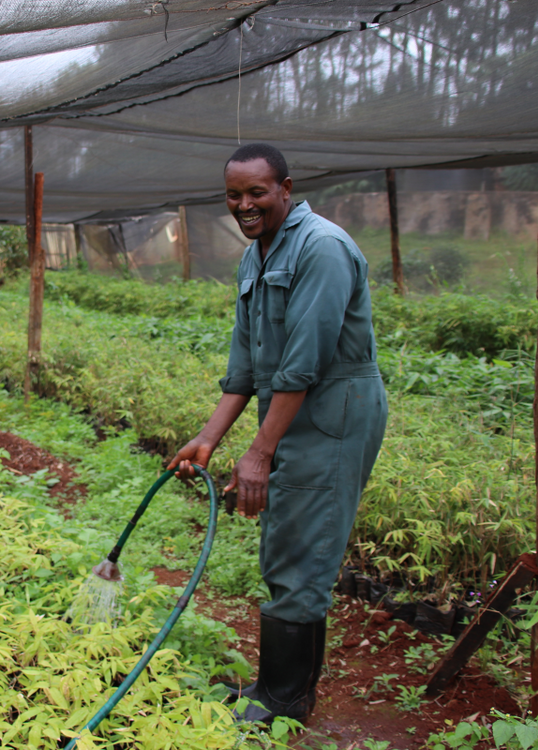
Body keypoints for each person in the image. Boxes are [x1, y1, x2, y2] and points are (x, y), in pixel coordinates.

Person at [169, 143, 387, 725]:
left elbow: (304, 364)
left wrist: (259, 451)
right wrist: (209, 438)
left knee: (303, 547)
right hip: (289, 406)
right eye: (234, 195)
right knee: (288, 543)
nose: (244, 205)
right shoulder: (258, 256)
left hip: (333, 411)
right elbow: (246, 365)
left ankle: (283, 699)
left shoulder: (323, 249)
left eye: (256, 193)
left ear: (285, 188)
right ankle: (282, 689)